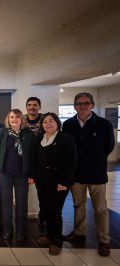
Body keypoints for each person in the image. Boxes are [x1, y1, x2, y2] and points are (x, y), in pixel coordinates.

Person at [62, 92, 114, 257]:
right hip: (76, 174)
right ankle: (79, 232)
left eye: (86, 103)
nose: (82, 106)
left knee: (100, 209)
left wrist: (96, 160)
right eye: (79, 103)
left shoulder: (104, 124)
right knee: (79, 206)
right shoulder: (68, 124)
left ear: (91, 104)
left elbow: (109, 146)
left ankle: (104, 240)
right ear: (74, 106)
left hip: (97, 174)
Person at [35, 113, 77, 256]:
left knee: (55, 211)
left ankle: (56, 241)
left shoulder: (66, 139)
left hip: (58, 182)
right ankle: (49, 235)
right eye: (45, 122)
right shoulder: (40, 138)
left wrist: (64, 182)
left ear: (57, 123)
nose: (48, 124)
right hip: (42, 181)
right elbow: (36, 160)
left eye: (51, 121)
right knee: (46, 209)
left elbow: (71, 162)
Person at [0, 109, 36, 241]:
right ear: (8, 119)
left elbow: (33, 155)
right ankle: (7, 231)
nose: (14, 119)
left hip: (22, 174)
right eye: (11, 117)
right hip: (5, 173)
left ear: (21, 119)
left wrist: (31, 174)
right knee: (6, 203)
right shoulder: (2, 132)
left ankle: (20, 231)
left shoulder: (28, 134)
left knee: (22, 203)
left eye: (17, 117)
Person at [24, 97, 46, 228]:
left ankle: (43, 217)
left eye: (35, 105)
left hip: (42, 162)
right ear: (26, 107)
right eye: (29, 105)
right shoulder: (23, 120)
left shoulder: (45, 119)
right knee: (23, 192)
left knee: (43, 193)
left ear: (39, 106)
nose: (32, 107)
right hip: (26, 161)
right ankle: (23, 216)